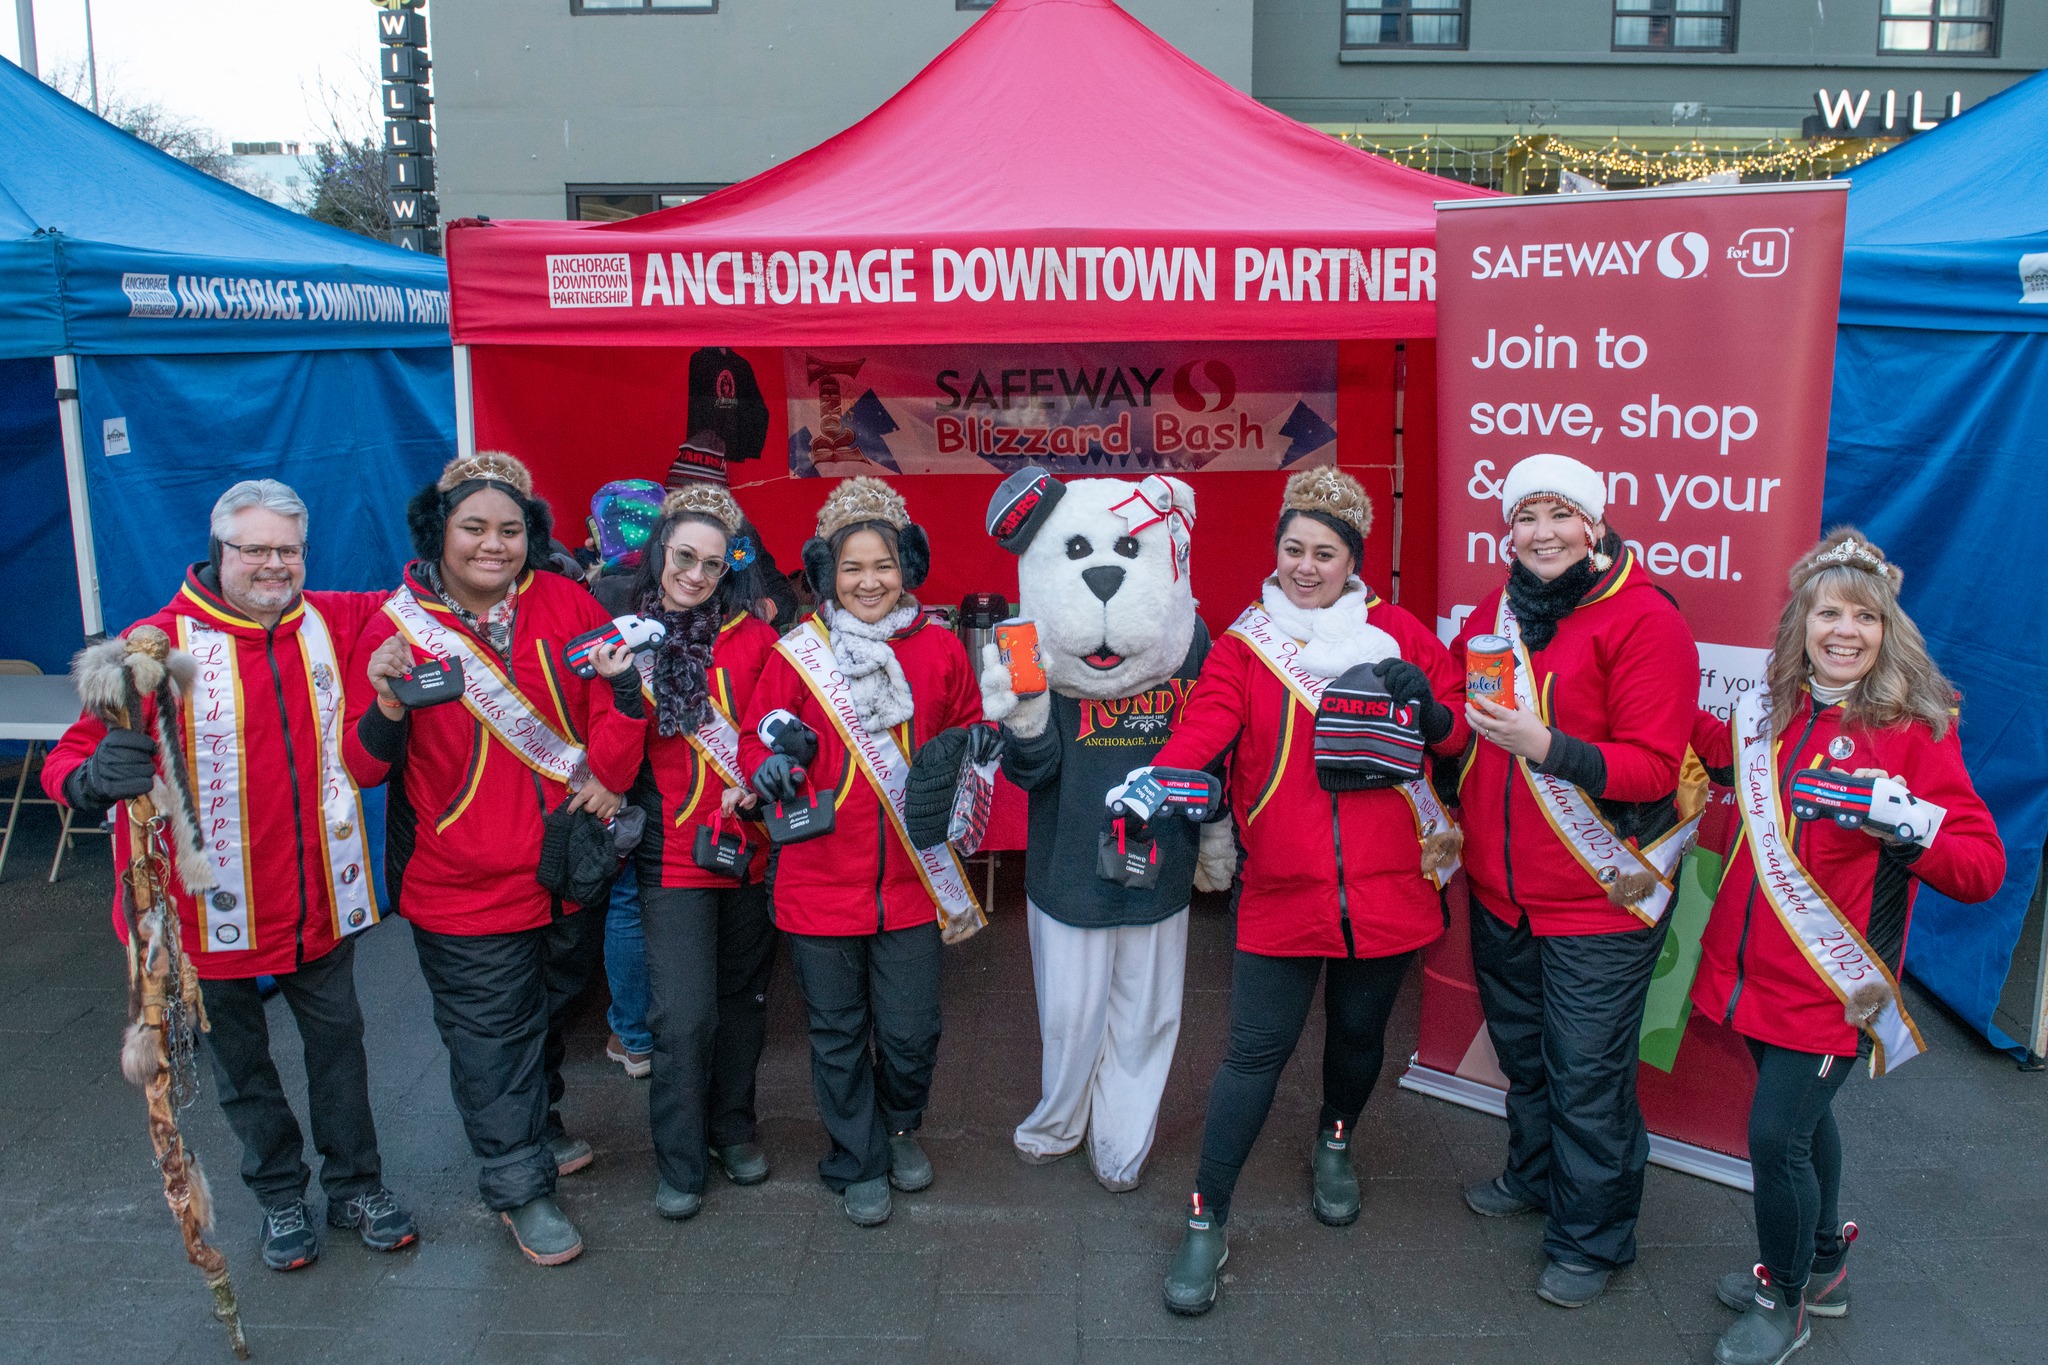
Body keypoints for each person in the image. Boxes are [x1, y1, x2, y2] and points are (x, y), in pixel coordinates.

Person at [44, 480, 415, 1272]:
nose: (273, 564)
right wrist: (92, 779)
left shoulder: (336, 620)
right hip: (202, 912)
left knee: (340, 1047)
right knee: (242, 1066)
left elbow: (430, 595)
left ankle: (357, 1185)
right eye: (255, 548)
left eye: (288, 549)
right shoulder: (153, 645)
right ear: (221, 552)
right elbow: (71, 757)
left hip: (318, 891)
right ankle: (280, 1194)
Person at [1146, 469, 1468, 1315]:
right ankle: (1207, 1215)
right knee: (1252, 1055)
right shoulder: (1248, 646)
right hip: (1283, 890)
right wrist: (1161, 781)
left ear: (1354, 560)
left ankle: (1336, 1136)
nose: (1305, 566)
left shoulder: (1397, 632)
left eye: (1325, 552)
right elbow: (1204, 726)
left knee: (1360, 1037)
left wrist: (1428, 709)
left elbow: (1461, 724)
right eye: (1293, 548)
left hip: (1390, 888)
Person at [1688, 529, 2003, 1365]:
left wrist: (1908, 824)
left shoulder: (1914, 729)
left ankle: (1781, 1299)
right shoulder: (1773, 706)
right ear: (1802, 620)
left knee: (1774, 1138)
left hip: (1832, 987)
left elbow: (1980, 869)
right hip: (1749, 967)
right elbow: (1720, 757)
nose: (1845, 630)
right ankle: (1822, 1267)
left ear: (1886, 628)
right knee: (1803, 1127)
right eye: (1830, 610)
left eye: (1865, 615)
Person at [343, 452, 646, 1268]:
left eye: (510, 529)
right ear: (438, 531)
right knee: (491, 1036)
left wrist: (611, 774)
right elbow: (365, 766)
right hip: (459, 885)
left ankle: (538, 1123)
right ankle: (519, 1185)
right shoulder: (396, 629)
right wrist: (385, 703)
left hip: (564, 872)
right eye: (473, 527)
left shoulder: (569, 602)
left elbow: (612, 715)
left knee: (547, 1012)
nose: (493, 544)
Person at [1449, 452, 1700, 1308]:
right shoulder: (1498, 606)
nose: (1541, 533)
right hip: (1499, 885)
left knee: (1587, 1075)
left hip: (1599, 896)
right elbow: (1463, 715)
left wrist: (1544, 745)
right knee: (1525, 1057)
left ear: (1595, 526)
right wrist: (1423, 703)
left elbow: (1653, 768)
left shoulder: (1646, 619)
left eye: (1560, 516)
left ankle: (1594, 1238)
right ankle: (1531, 1175)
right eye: (1526, 517)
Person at [977, 469, 1232, 1195]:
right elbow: (1033, 775)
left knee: (1149, 1012)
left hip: (1163, 864)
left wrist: (1215, 832)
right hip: (1067, 869)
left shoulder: (1191, 641)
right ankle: (1061, 1117)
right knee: (1071, 1011)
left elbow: (1211, 745)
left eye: (1125, 547)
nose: (1104, 568)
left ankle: (1122, 1136)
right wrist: (1024, 724)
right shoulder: (1036, 651)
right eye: (1082, 548)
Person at [739, 477, 983, 1227]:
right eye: (852, 568)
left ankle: (902, 1125)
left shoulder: (941, 649)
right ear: (827, 574)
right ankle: (858, 1154)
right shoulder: (795, 654)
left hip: (913, 881)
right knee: (837, 1030)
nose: (869, 581)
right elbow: (756, 734)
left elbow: (971, 738)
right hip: (818, 878)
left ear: (906, 567)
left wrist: (973, 775)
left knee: (912, 1030)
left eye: (883, 565)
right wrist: (767, 767)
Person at [621, 485, 781, 1219]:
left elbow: (779, 727)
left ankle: (732, 1129)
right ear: (660, 552)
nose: (694, 573)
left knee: (743, 1003)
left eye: (712, 563)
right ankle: (680, 1159)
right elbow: (610, 750)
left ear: (729, 568)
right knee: (683, 1016)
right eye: (683, 556)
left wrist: (761, 776)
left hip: (747, 845)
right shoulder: (624, 637)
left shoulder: (754, 636)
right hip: (672, 855)